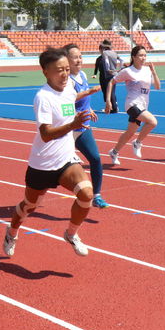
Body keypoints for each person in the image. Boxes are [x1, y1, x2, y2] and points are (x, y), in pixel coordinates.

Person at [2, 48, 94, 257]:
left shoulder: (69, 86)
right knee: (29, 206)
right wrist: (73, 125)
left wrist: (86, 101)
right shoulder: (43, 97)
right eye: (58, 70)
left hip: (66, 159)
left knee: (86, 194)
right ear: (45, 72)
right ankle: (12, 232)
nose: (64, 74)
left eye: (66, 69)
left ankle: (71, 234)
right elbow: (45, 134)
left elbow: (70, 100)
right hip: (42, 163)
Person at [63, 43, 109, 208]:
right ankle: (37, 190)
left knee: (95, 159)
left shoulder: (82, 74)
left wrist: (88, 109)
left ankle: (96, 195)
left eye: (80, 56)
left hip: (83, 128)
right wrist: (74, 115)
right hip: (67, 129)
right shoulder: (66, 80)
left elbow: (83, 99)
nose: (79, 60)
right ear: (66, 60)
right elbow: (65, 103)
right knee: (56, 168)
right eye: (74, 57)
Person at [106, 45, 161, 164]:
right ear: (134, 57)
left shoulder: (147, 70)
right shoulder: (127, 71)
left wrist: (154, 72)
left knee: (130, 132)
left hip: (143, 104)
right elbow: (111, 82)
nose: (143, 58)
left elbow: (157, 87)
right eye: (141, 55)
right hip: (132, 104)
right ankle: (137, 143)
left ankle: (114, 152)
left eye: (145, 55)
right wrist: (108, 101)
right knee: (152, 122)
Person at [92, 40, 123, 113]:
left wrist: (116, 69)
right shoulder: (99, 58)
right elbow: (96, 67)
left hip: (110, 76)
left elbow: (109, 64)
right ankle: (108, 106)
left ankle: (114, 107)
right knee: (105, 91)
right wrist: (95, 74)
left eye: (102, 49)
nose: (101, 51)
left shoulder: (108, 56)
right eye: (101, 49)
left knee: (111, 92)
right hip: (102, 77)